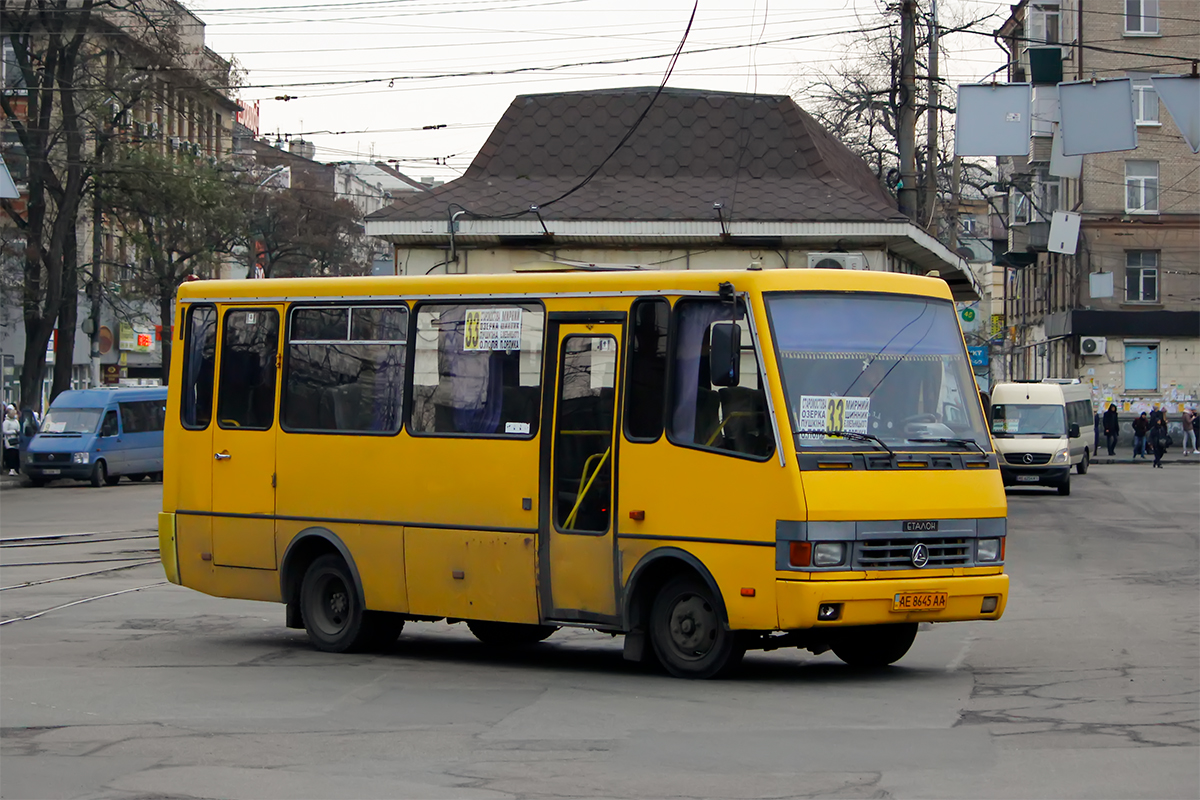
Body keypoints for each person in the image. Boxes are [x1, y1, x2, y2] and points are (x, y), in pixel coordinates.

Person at [2, 405, 19, 476]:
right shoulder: (6, 422)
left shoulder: (15, 421)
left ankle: (16, 469)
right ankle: (11, 469)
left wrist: (18, 432)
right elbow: (4, 431)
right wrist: (13, 432)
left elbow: (18, 428)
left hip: (16, 440)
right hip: (9, 441)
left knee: (16, 454)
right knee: (11, 454)